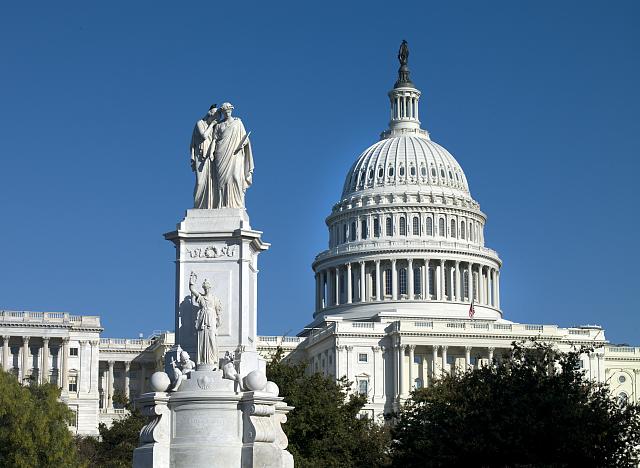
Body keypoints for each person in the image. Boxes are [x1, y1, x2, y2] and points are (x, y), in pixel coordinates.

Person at [211, 102, 254, 208]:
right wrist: (211, 152)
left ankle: (238, 204)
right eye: (225, 111)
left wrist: (244, 142)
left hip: (236, 153)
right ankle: (222, 203)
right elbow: (214, 140)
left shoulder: (238, 122)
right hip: (221, 153)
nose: (227, 113)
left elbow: (245, 137)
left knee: (236, 177)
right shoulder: (219, 125)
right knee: (222, 180)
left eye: (229, 111)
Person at [189, 272, 222, 368]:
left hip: (211, 318)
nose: (206, 289)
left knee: (212, 338)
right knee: (202, 339)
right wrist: (192, 281)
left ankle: (213, 359)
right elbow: (192, 289)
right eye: (204, 288)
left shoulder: (215, 299)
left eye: (207, 288)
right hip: (203, 318)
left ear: (210, 288)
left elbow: (218, 311)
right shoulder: (201, 297)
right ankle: (203, 359)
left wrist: (219, 319)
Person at [190, 105, 220, 208]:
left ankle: (211, 205)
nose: (216, 119)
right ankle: (198, 206)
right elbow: (204, 135)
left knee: (212, 181)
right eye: (214, 116)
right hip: (201, 156)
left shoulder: (216, 126)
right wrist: (211, 125)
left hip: (211, 156)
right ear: (209, 114)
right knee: (200, 182)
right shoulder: (200, 123)